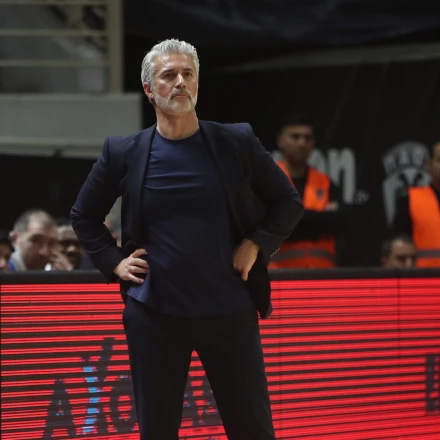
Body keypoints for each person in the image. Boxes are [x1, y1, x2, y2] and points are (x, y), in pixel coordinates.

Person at [71, 39, 303, 440]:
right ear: (149, 89)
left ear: (197, 83)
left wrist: (256, 243)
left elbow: (287, 202)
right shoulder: (123, 152)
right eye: (169, 75)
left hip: (229, 308)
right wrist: (114, 262)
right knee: (158, 431)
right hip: (154, 314)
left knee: (252, 428)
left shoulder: (236, 141)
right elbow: (83, 215)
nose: (180, 81)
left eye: (188, 74)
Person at [270, 116, 344, 269]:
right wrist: (319, 219)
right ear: (280, 141)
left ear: (313, 144)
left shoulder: (326, 183)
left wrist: (293, 217)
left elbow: (337, 223)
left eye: (307, 138)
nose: (302, 143)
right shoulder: (265, 180)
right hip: (279, 275)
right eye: (295, 137)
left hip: (321, 273)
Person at [393, 141, 440, 267]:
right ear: (429, 164)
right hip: (424, 275)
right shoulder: (411, 199)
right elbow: (400, 245)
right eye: (439, 160)